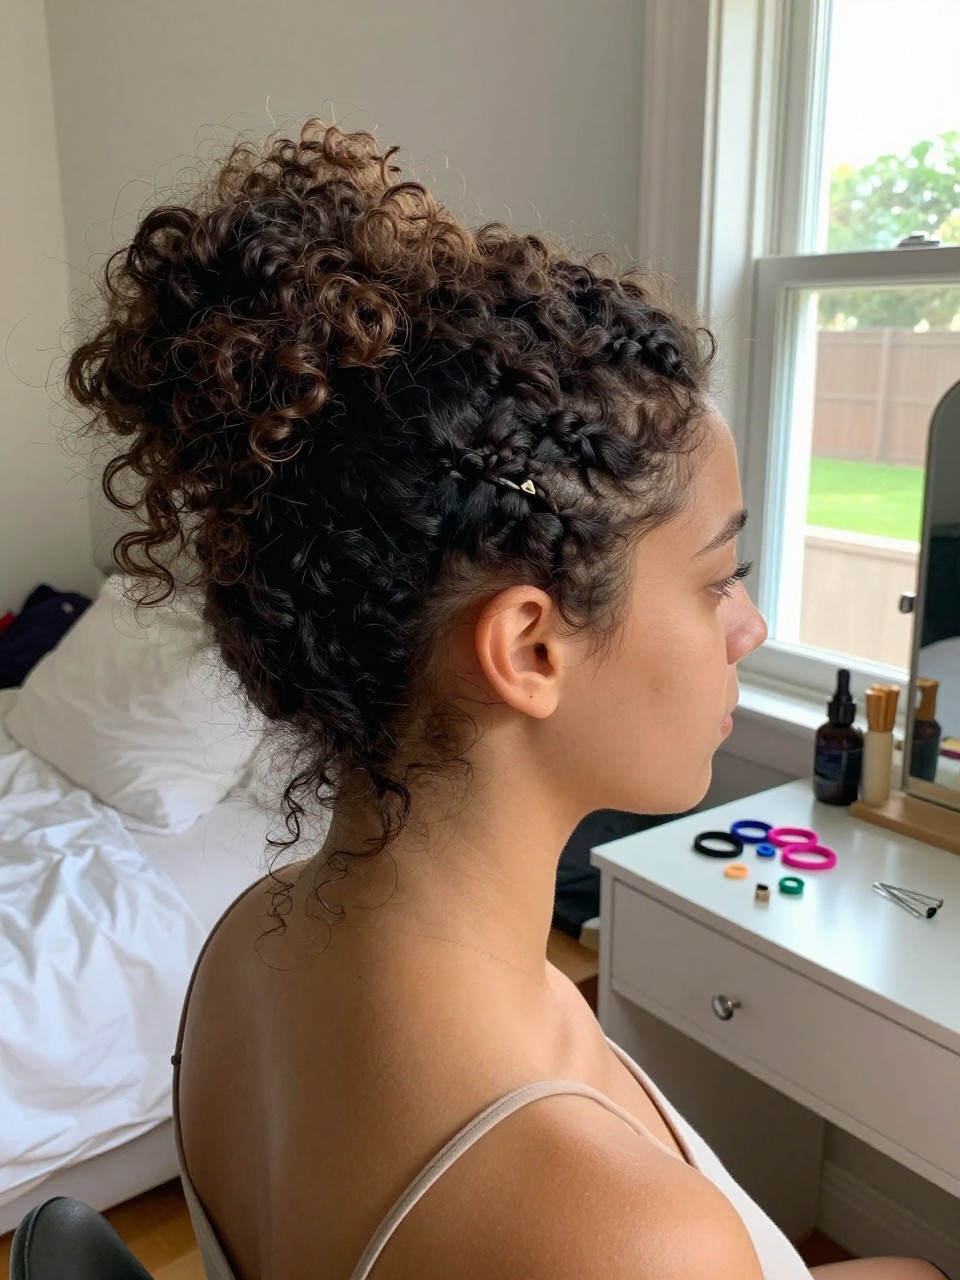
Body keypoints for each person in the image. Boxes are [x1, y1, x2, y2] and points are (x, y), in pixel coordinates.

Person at [64, 118, 949, 1280]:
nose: (751, 625)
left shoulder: (251, 943)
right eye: (717, 577)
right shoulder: (627, 1238)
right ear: (529, 648)